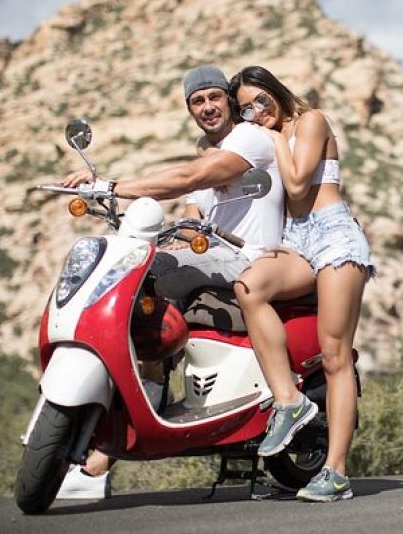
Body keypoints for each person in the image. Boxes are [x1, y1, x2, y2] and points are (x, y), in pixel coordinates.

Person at [56, 64, 285, 500]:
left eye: (214, 97)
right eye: (197, 102)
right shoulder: (210, 151)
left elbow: (191, 179)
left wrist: (109, 185)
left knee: (144, 279)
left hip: (251, 261)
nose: (207, 107)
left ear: (230, 101)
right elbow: (199, 209)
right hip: (217, 257)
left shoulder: (248, 140)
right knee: (134, 281)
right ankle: (134, 415)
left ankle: (113, 445)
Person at [229, 65, 375, 502]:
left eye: (259, 100)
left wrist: (274, 138)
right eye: (245, 109)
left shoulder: (311, 121)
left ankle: (336, 471)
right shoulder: (261, 135)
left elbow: (296, 184)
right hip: (295, 239)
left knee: (335, 356)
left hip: (333, 235)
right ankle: (289, 399)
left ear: (275, 91)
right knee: (249, 287)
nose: (254, 112)